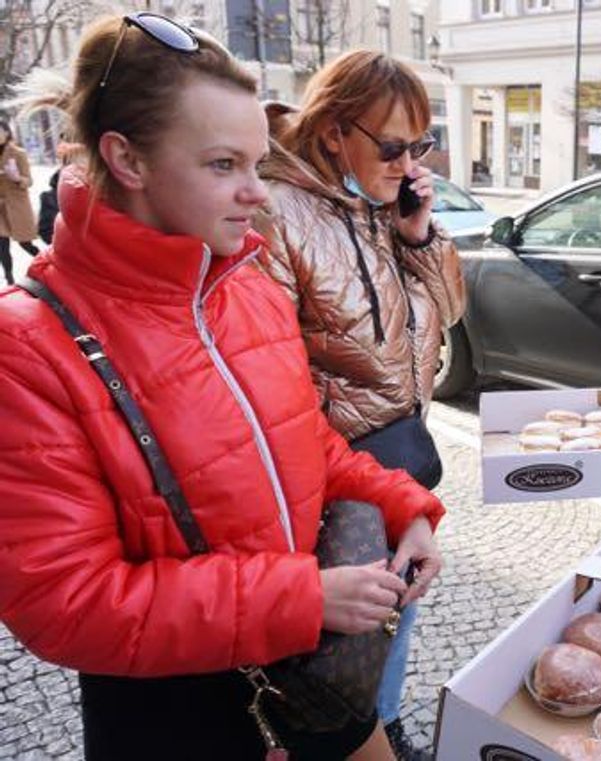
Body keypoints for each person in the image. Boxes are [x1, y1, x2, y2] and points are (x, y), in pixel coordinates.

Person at [0, 13, 446, 760]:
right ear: (126, 159)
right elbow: (64, 604)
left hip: (316, 676)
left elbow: (306, 443)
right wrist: (301, 597)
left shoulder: (245, 289)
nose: (258, 194)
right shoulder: (28, 347)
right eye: (222, 166)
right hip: (182, 713)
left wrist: (408, 505)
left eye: (257, 162)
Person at [254, 50, 464, 760]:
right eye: (394, 145)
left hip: (401, 457)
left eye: (422, 145)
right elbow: (268, 368)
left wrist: (419, 235)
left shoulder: (381, 207)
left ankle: (385, 719)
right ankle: (359, 731)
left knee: (399, 610)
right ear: (335, 129)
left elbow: (452, 311)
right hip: (336, 476)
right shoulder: (277, 211)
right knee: (352, 635)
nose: (409, 164)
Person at [0, 119, 42, 284]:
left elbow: (29, 181)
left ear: (7, 133)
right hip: (0, 207)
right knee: (1, 244)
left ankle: (48, 264)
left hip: (17, 205)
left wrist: (17, 178)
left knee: (25, 244)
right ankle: (9, 279)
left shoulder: (18, 153)